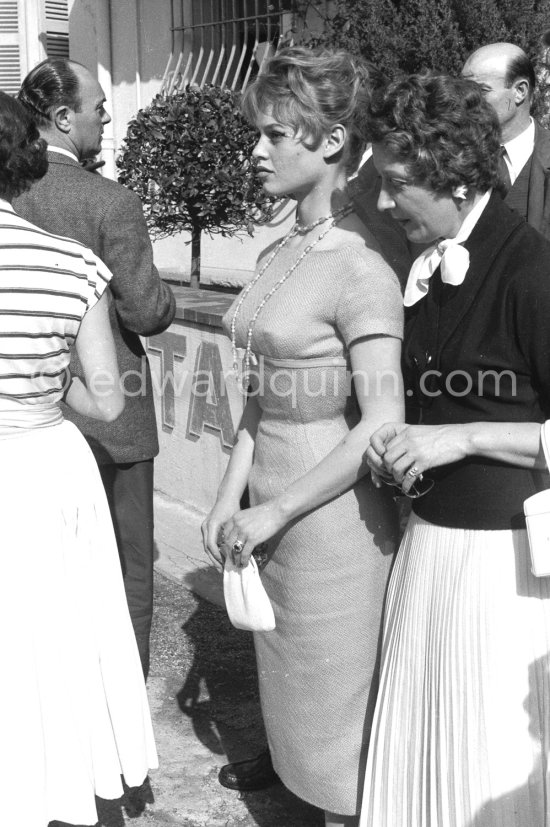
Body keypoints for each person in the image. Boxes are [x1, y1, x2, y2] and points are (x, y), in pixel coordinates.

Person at [202, 46, 404, 827]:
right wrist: (229, 499)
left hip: (332, 526)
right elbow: (257, 399)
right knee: (291, 711)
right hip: (269, 504)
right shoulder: (277, 251)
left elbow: (383, 421)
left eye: (276, 134)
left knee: (340, 728)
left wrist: (273, 511)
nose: (258, 151)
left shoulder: (363, 265)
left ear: (330, 142)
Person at [360, 72, 550, 827]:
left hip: (501, 580)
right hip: (430, 558)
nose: (381, 202)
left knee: (483, 762)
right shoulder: (428, 265)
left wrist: (461, 437)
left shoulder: (533, 271)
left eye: (397, 183)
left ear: (459, 178)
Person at [0, 91, 157, 827]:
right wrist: (38, 384)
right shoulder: (71, 264)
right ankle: (57, 775)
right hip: (42, 461)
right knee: (56, 627)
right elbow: (107, 400)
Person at [14, 58, 176, 678]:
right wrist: (165, 298)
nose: (106, 118)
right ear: (61, 117)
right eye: (97, 107)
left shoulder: (8, 198)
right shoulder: (110, 202)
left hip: (29, 418)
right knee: (128, 565)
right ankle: (122, 689)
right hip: (115, 418)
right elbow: (145, 311)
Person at [462, 42, 550, 240]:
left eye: (481, 90)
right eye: (463, 90)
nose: (466, 100)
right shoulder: (453, 157)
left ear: (520, 91)